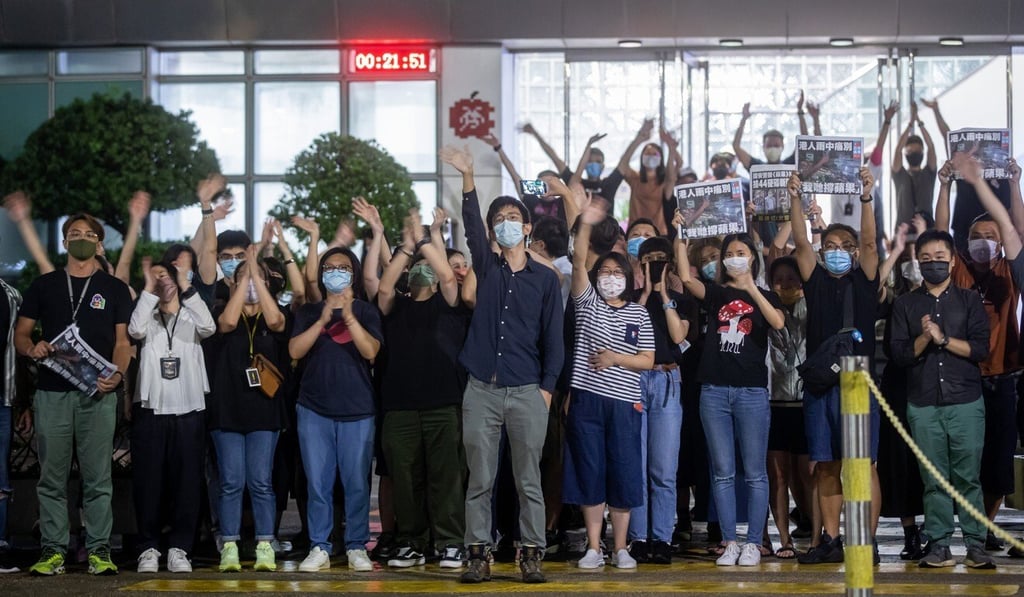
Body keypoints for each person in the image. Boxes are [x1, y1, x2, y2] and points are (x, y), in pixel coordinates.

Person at [440, 145, 563, 584]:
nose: (506, 225)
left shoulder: (546, 280)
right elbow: (471, 227)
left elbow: (554, 341)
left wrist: (547, 390)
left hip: (529, 391)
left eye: (514, 219)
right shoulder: (488, 268)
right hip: (482, 390)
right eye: (500, 220)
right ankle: (479, 553)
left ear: (528, 228)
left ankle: (530, 553)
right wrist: (468, 176)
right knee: (480, 478)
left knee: (528, 478)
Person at [15, 213, 133, 576]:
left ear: (100, 243)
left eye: (89, 234)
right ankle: (53, 551)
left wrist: (117, 374)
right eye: (74, 234)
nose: (81, 239)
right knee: (52, 477)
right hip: (52, 394)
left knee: (98, 478)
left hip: (98, 395)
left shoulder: (112, 288)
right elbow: (21, 335)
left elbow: (123, 342)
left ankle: (99, 550)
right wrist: (32, 347)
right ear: (64, 242)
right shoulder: (44, 285)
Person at [674, 215, 785, 567]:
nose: (735, 257)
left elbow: (778, 321)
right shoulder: (717, 293)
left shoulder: (764, 294)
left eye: (741, 251)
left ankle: (754, 541)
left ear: (752, 256)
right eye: (730, 253)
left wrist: (750, 287)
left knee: (754, 471)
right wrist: (681, 234)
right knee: (721, 470)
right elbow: (687, 278)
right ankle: (729, 540)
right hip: (715, 391)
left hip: (751, 392)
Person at [787, 168, 883, 565]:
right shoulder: (816, 278)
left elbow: (871, 239)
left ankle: (864, 540)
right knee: (825, 464)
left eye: (845, 244)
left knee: (861, 465)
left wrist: (866, 196)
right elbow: (798, 240)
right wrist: (795, 196)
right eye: (830, 244)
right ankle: (830, 538)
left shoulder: (864, 278)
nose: (838, 249)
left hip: (858, 384)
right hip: (820, 385)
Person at [889, 228, 995, 569]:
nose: (933, 264)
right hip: (922, 404)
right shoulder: (905, 304)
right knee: (932, 478)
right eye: (926, 259)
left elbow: (980, 349)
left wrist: (943, 338)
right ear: (917, 263)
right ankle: (938, 543)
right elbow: (900, 354)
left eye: (939, 258)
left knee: (967, 476)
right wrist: (924, 338)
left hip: (965, 401)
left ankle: (976, 543)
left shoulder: (969, 300)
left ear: (951, 260)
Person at [936, 154, 1024, 548]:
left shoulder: (1009, 272)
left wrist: (1012, 185)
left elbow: (1014, 228)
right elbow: (939, 234)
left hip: (1003, 379)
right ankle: (969, 525)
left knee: (998, 462)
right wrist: (945, 186)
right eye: (978, 237)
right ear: (968, 244)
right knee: (964, 459)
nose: (986, 241)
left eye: (992, 237)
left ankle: (985, 527)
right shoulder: (961, 270)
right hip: (964, 379)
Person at [564, 199, 655, 571]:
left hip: (625, 403)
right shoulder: (586, 302)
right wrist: (584, 223)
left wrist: (615, 358)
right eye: (606, 271)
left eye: (618, 271)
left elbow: (647, 360)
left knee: (623, 470)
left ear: (628, 278)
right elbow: (578, 259)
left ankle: (621, 548)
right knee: (590, 470)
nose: (611, 276)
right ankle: (592, 546)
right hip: (586, 400)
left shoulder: (639, 312)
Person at [377, 210, 468, 569]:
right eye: (415, 264)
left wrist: (428, 239)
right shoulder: (394, 306)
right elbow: (384, 287)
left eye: (422, 263)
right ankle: (411, 541)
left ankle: (449, 542)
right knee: (404, 476)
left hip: (442, 403)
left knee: (446, 476)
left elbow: (446, 274)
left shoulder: (448, 305)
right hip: (399, 406)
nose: (421, 269)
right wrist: (406, 246)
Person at [289, 247, 382, 573]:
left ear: (353, 273)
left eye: (342, 267)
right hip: (314, 409)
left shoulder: (367, 312)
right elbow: (295, 349)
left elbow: (370, 351)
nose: (335, 272)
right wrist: (324, 319)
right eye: (329, 267)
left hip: (358, 409)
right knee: (318, 484)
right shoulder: (310, 312)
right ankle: (319, 545)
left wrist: (349, 316)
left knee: (356, 482)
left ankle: (356, 545)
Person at [129, 258, 215, 573]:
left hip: (188, 410)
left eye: (167, 277)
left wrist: (185, 285)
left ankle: (180, 548)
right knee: (149, 483)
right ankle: (149, 548)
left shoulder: (193, 315)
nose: (162, 281)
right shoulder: (147, 316)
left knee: (187, 482)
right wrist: (150, 290)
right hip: (151, 410)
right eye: (156, 277)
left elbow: (210, 326)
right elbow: (134, 329)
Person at [208, 246, 290, 573]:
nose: (252, 283)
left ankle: (265, 544)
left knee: (260, 481)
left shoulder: (275, 315)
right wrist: (242, 279)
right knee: (231, 481)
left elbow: (276, 320)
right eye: (244, 279)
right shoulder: (224, 312)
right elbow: (227, 322)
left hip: (264, 412)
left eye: (258, 279)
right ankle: (229, 545)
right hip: (227, 411)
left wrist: (256, 273)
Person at [627, 236, 692, 565]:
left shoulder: (681, 298)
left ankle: (662, 538)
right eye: (648, 258)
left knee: (664, 468)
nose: (654, 264)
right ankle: (638, 537)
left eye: (660, 258)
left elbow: (679, 336)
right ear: (639, 263)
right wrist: (646, 294)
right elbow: (628, 334)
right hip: (635, 380)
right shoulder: (631, 299)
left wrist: (664, 295)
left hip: (667, 380)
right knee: (636, 465)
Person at [765, 256, 814, 560]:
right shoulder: (764, 310)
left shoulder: (810, 308)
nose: (786, 284)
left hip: (805, 402)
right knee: (778, 476)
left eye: (792, 278)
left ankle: (818, 534)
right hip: (773, 403)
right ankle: (784, 539)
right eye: (779, 279)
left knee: (808, 475)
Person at [620, 119, 681, 235]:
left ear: (661, 158)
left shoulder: (663, 182)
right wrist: (640, 138)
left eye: (655, 154)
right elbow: (622, 165)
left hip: (658, 233)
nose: (651, 156)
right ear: (641, 157)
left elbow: (673, 174)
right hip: (635, 231)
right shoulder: (635, 178)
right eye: (647, 154)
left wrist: (671, 147)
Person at [0, 267, 21, 569]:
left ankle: (1, 543)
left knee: (0, 477)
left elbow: (17, 348)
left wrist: (24, 402)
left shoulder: (11, 295)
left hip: (3, 397)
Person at [891, 102, 938, 226]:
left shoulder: (928, 172)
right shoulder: (899, 174)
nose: (914, 153)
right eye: (910, 151)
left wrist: (919, 122)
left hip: (926, 231)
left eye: (917, 151)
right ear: (905, 153)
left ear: (922, 152)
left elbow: (931, 147)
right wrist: (910, 122)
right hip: (903, 232)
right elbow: (898, 149)